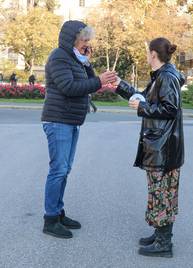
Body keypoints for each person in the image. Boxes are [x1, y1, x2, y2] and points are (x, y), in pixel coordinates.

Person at [41, 20, 117, 239]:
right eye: (83, 39)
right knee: (58, 170)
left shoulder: (75, 58)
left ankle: (58, 211)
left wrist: (87, 62)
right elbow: (69, 87)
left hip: (70, 121)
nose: (86, 43)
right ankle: (50, 219)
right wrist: (99, 81)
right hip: (58, 121)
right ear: (71, 38)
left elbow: (90, 80)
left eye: (87, 40)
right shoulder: (58, 57)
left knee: (65, 169)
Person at [114, 37, 185, 258]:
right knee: (161, 192)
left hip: (163, 147)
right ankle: (160, 234)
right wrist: (120, 85)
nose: (146, 55)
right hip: (162, 145)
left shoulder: (166, 77)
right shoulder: (162, 76)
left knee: (162, 193)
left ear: (153, 54)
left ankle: (164, 244)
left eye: (147, 52)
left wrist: (143, 107)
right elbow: (145, 98)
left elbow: (169, 108)